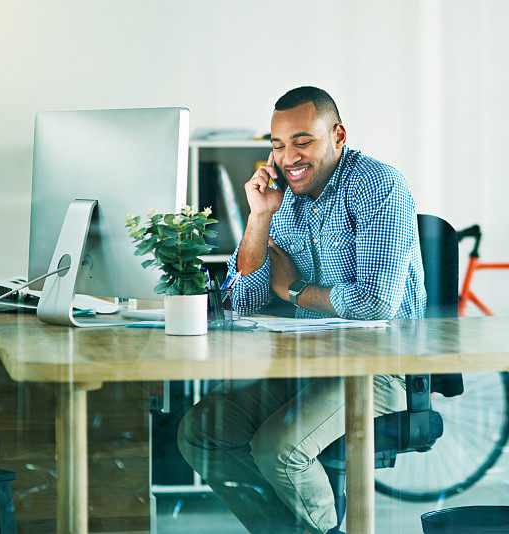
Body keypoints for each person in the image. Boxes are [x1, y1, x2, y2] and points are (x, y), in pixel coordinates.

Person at [177, 86, 426, 534]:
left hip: (380, 367)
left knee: (279, 449)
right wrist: (259, 217)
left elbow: (376, 303)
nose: (289, 157)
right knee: (201, 430)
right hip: (309, 364)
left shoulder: (378, 186)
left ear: (338, 135)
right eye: (278, 145)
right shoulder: (284, 199)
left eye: (302, 142)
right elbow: (245, 298)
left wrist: (295, 291)